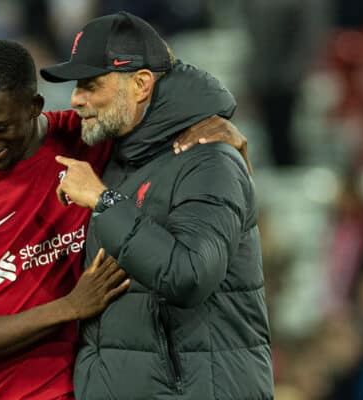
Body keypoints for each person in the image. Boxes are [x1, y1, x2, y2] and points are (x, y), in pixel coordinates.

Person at [0, 40, 252, 400]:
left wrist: (217, 128)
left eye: (0, 127)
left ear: (34, 107)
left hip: (86, 387)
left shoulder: (83, 139)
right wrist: (69, 307)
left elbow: (156, 99)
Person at [41, 11, 274, 399]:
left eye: (90, 84)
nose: (76, 99)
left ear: (141, 84)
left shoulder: (209, 159)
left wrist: (103, 200)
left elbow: (189, 274)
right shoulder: (114, 151)